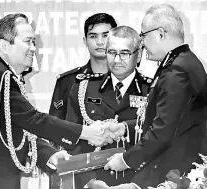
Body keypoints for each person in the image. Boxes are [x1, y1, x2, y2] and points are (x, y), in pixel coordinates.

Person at [0, 13, 124, 189]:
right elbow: (34, 120)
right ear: (5, 46)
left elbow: (20, 131)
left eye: (34, 42)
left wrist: (50, 155)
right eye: (28, 41)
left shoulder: (1, 73)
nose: (33, 48)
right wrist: (87, 132)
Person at [105, 3, 207, 189]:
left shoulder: (178, 70)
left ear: (161, 33)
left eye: (144, 35)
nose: (142, 42)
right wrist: (125, 128)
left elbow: (163, 131)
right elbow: (174, 119)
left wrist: (126, 159)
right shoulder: (183, 62)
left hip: (175, 173)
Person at [64, 26, 151, 189]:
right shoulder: (83, 88)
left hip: (137, 183)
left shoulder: (153, 90)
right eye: (111, 52)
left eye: (124, 53)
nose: (117, 60)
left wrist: (137, 185)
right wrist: (87, 181)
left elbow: (158, 142)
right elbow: (73, 141)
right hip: (94, 183)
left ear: (138, 55)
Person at [49, 13, 117, 120]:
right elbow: (55, 127)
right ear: (85, 41)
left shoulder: (128, 79)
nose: (100, 42)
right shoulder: (68, 82)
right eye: (93, 36)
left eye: (105, 36)